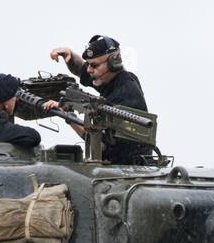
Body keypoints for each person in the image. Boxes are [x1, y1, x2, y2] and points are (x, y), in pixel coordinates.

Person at [45, 34, 154, 165]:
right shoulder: (116, 79)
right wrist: (70, 56)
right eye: (88, 64)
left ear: (114, 63)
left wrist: (68, 116)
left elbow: (99, 144)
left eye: (94, 65)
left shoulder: (125, 93)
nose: (89, 70)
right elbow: (82, 70)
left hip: (127, 166)